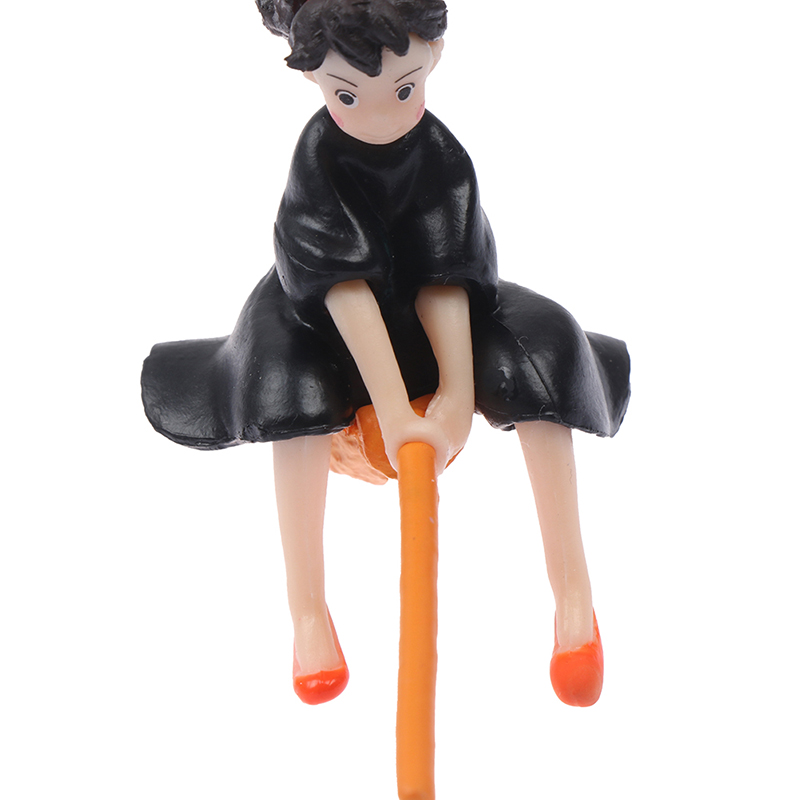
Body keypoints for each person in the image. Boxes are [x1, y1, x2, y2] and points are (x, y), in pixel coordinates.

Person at [141, 0, 630, 708]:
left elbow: (444, 280)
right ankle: (309, 612)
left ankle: (574, 600)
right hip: (322, 320)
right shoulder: (318, 163)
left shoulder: (444, 161)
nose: (379, 116)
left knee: (544, 352)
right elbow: (344, 293)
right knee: (289, 388)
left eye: (404, 89)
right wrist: (397, 411)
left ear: (436, 54)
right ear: (311, 78)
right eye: (348, 96)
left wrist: (454, 395)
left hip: (427, 317)